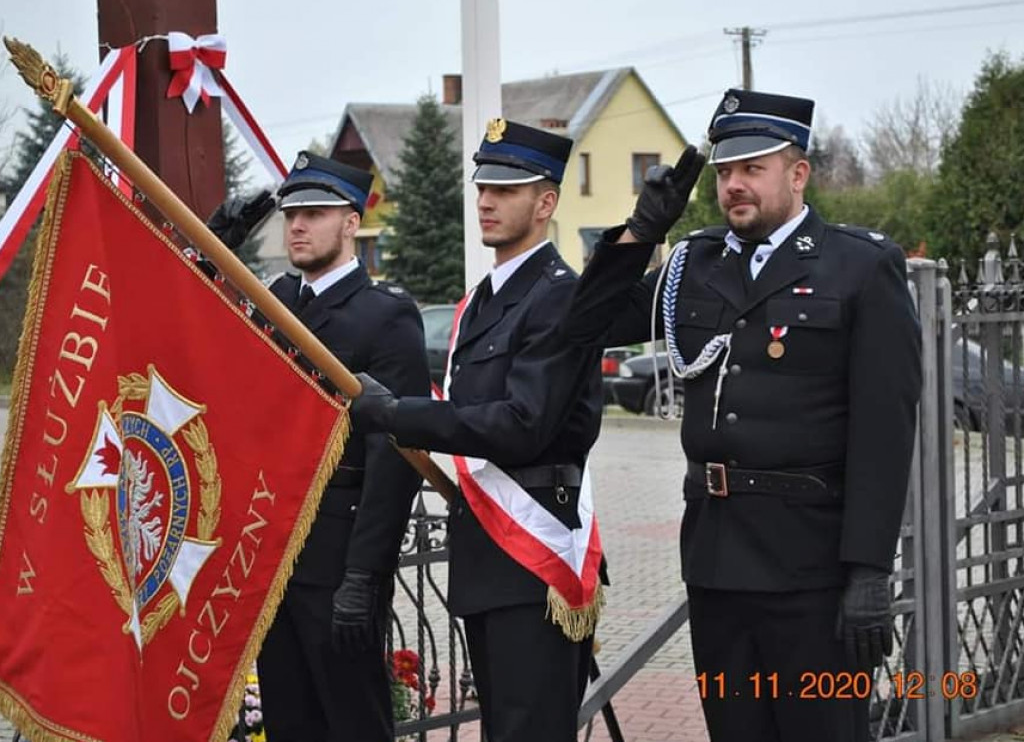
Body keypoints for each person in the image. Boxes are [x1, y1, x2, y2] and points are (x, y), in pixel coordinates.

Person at [562, 89, 922, 742]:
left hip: (813, 570)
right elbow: (586, 323)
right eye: (726, 172)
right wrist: (640, 232)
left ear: (797, 172)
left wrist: (870, 570)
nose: (734, 185)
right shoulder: (693, 265)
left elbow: (885, 433)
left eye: (752, 168)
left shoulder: (860, 268)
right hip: (718, 561)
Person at [350, 119, 604, 742]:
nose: (486, 201)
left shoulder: (560, 298)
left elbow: (520, 425)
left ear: (545, 204)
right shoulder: (482, 301)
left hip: (533, 555)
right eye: (483, 187)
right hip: (487, 555)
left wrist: (398, 413)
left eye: (506, 190)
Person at [208, 152, 430, 742]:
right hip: (271, 547)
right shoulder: (275, 297)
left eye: (314, 213)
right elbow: (198, 322)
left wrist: (364, 575)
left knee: (352, 721)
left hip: (337, 556)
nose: (297, 226)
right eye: (290, 214)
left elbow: (395, 455)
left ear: (351, 223)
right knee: (288, 721)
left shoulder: (386, 316)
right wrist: (219, 234)